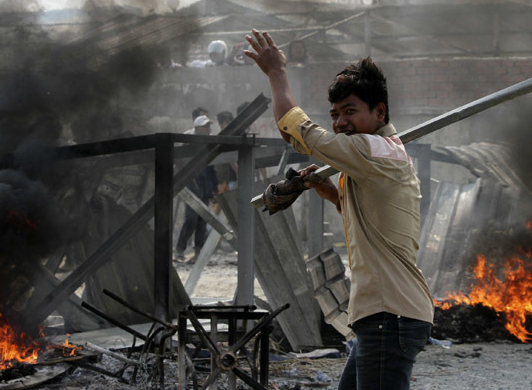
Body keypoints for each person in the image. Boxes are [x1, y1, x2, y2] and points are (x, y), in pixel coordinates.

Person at [244, 29, 434, 390]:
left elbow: (295, 129)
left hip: (388, 316)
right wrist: (332, 193)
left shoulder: (368, 150)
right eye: (334, 114)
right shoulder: (384, 154)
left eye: (350, 111)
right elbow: (372, 221)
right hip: (385, 317)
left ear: (379, 112)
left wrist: (276, 73)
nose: (340, 122)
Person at [175, 114, 218, 263]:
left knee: (202, 221)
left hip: (205, 185)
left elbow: (212, 167)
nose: (208, 129)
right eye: (205, 126)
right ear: (198, 128)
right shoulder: (188, 140)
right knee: (191, 219)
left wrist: (214, 189)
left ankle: (198, 253)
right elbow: (179, 162)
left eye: (209, 126)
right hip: (191, 184)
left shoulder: (210, 141)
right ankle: (180, 250)